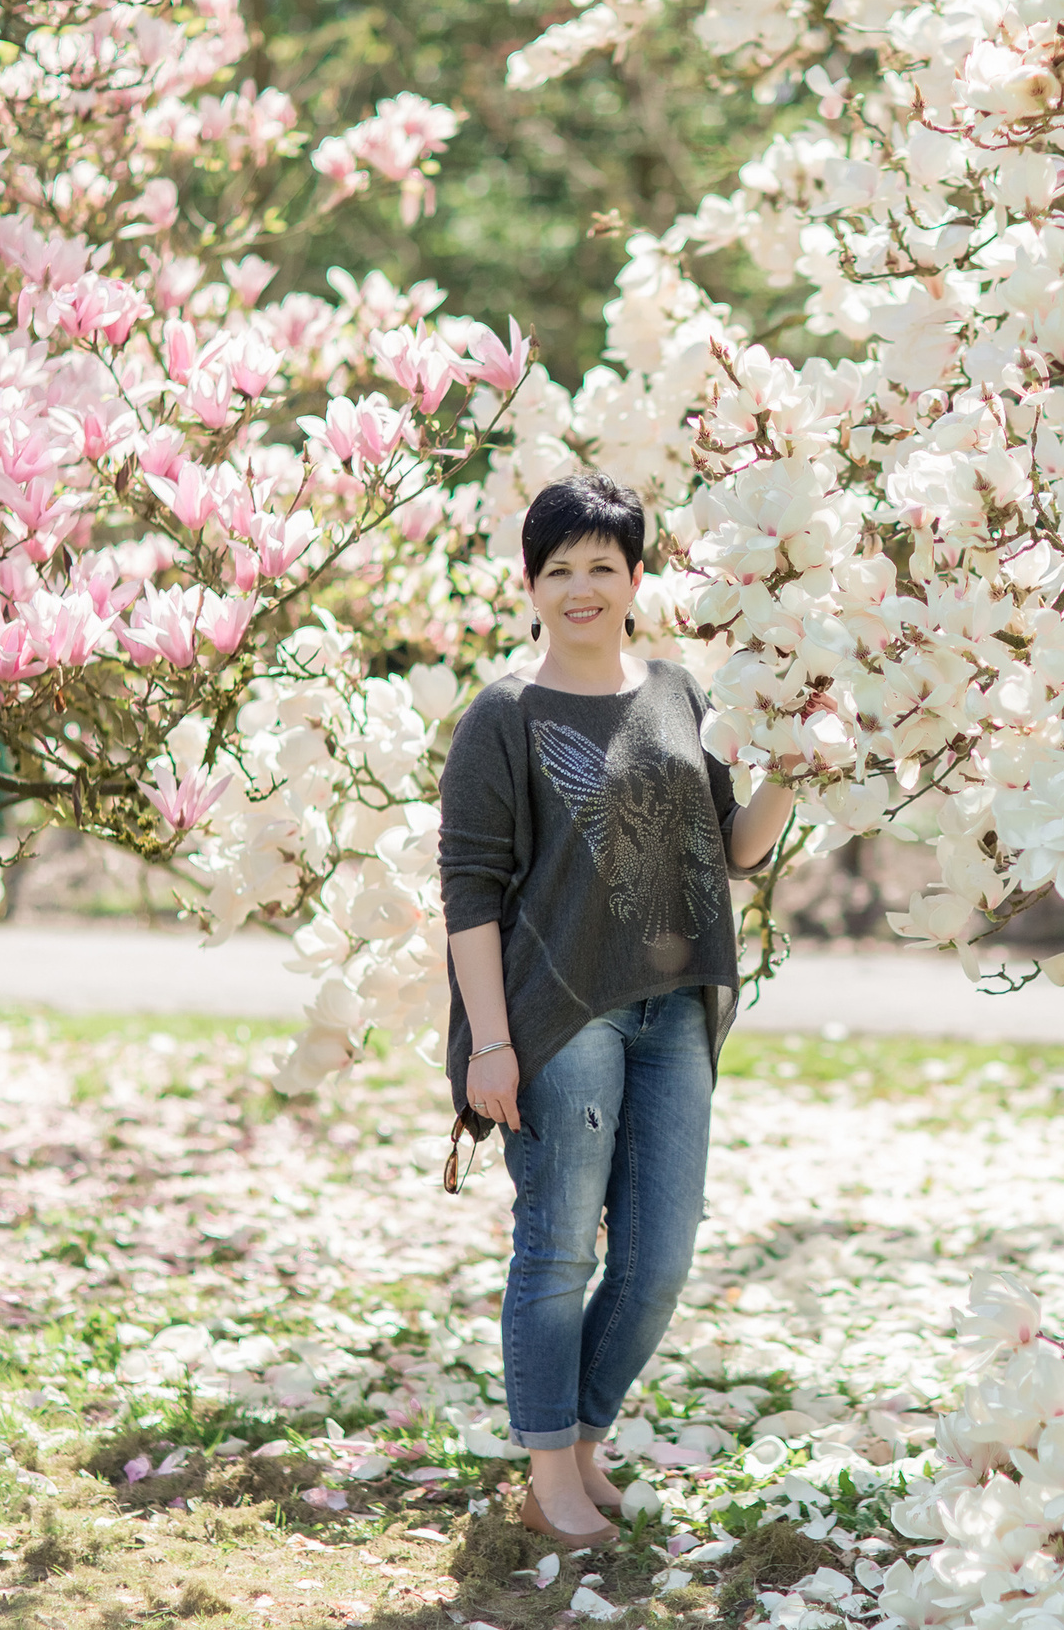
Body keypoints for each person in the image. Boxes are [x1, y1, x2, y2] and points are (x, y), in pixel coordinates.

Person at [436, 471, 797, 1549]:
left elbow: (734, 849)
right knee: (558, 1250)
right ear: (532, 585)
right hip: (558, 1017)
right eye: (560, 570)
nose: (582, 587)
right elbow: (469, 891)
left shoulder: (682, 694)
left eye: (603, 566)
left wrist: (798, 762)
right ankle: (551, 1470)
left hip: (672, 1009)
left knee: (659, 1253)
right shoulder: (503, 714)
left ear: (636, 577)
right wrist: (490, 1043)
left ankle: (584, 1441)